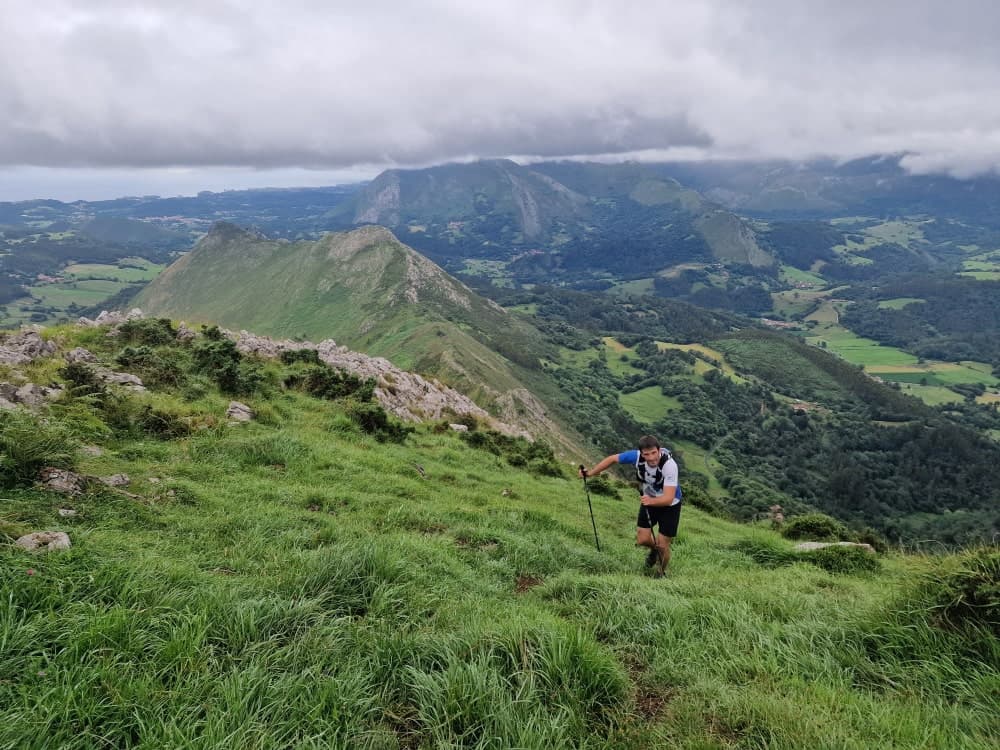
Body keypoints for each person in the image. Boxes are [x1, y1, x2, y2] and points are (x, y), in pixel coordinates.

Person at [580, 435, 681, 577]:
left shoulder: (670, 465)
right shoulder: (636, 457)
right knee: (642, 539)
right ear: (641, 453)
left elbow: (668, 498)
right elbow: (613, 459)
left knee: (663, 545)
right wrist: (590, 474)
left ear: (659, 450)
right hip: (649, 500)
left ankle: (660, 573)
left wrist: (650, 501)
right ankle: (654, 550)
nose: (651, 458)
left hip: (670, 505)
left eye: (653, 453)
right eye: (646, 454)